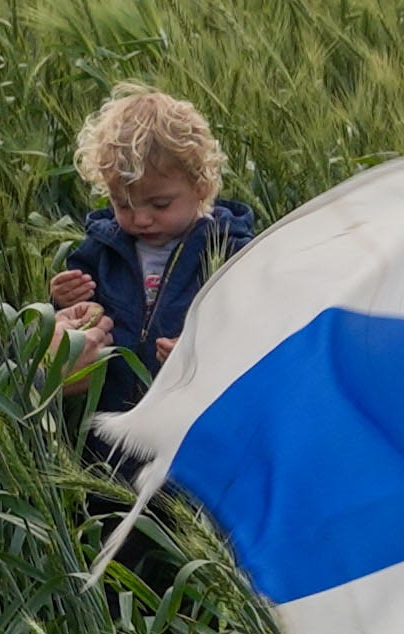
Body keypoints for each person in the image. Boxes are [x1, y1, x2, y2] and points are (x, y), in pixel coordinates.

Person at [55, 84, 259, 413]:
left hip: (189, 419)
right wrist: (63, 299)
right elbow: (75, 321)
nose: (141, 219)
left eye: (160, 204)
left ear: (201, 185)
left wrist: (202, 354)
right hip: (110, 421)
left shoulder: (231, 252)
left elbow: (252, 331)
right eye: (122, 204)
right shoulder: (101, 249)